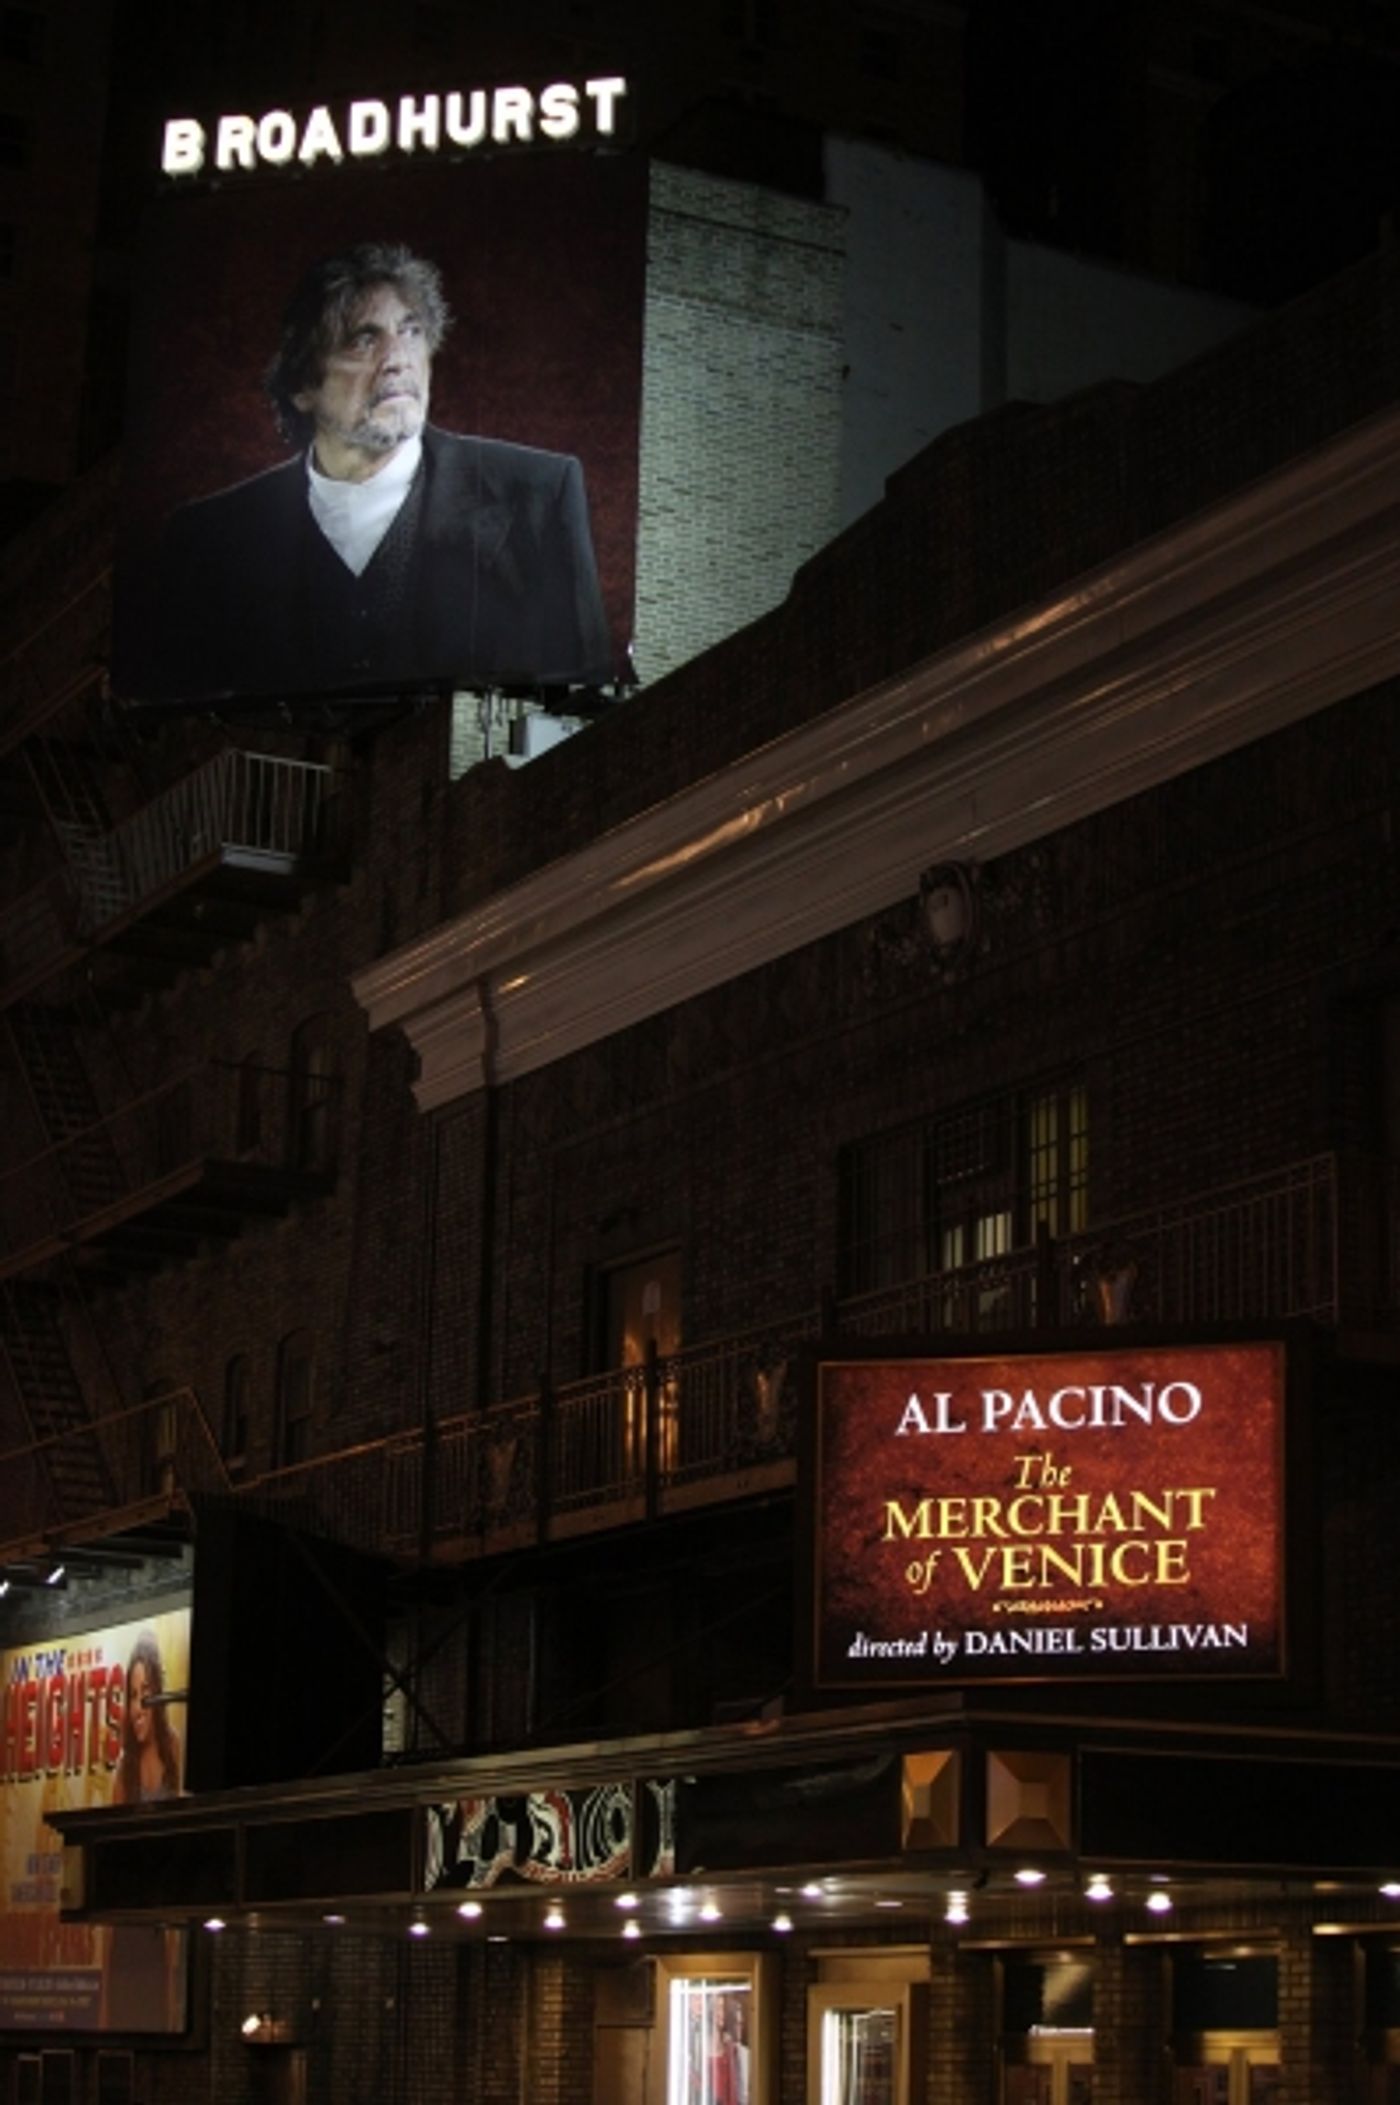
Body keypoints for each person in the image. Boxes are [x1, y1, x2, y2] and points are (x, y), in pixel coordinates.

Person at [140, 242, 614, 702]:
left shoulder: (539, 494)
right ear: (304, 386)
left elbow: (586, 700)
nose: (397, 360)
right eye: (363, 340)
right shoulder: (205, 541)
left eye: (410, 331)